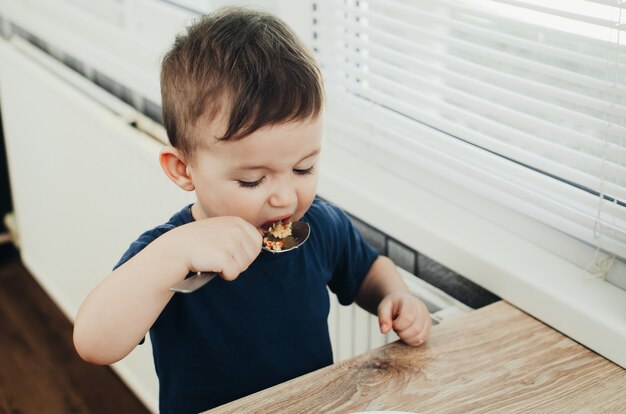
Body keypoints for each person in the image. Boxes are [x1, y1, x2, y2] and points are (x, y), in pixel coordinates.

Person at [73, 6, 431, 413]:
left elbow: (368, 270)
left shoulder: (321, 226)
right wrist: (174, 254)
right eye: (252, 180)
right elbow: (93, 342)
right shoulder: (167, 253)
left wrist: (396, 295)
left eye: (303, 168)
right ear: (183, 169)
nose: (285, 198)